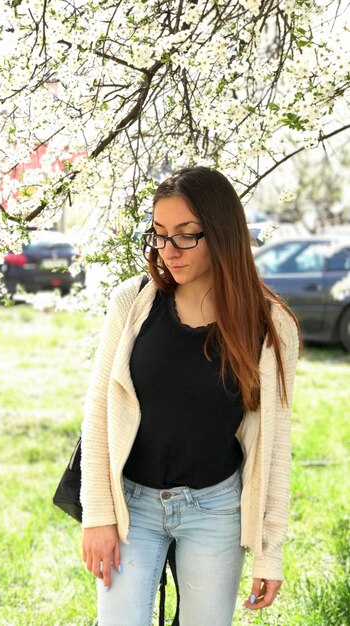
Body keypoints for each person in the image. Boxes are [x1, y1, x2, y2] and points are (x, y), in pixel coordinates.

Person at [80, 166, 300, 626]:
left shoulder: (271, 325)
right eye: (159, 235)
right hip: (132, 506)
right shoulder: (133, 301)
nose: (168, 251)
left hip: (215, 508)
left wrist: (269, 552)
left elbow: (276, 447)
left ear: (222, 234)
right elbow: (99, 411)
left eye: (185, 236)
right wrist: (97, 515)